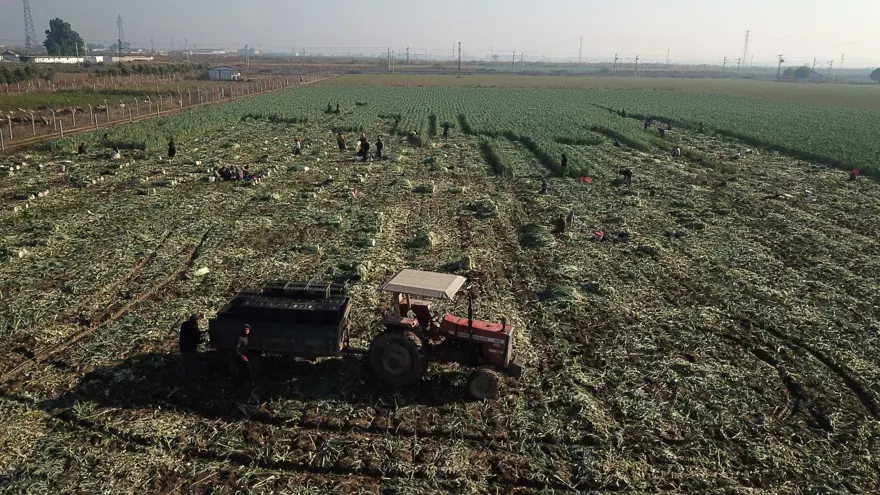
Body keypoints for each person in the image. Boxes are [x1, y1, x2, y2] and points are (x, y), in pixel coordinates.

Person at [179, 314, 202, 382]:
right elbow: (197, 338)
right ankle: (189, 380)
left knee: (184, 362)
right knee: (191, 364)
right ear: (196, 320)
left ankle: (183, 377)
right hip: (190, 348)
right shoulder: (194, 327)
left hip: (183, 346)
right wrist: (201, 339)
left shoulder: (184, 324)